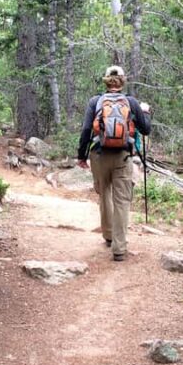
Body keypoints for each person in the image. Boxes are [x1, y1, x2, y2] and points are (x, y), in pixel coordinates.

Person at [77, 65, 151, 261]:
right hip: (122, 156)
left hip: (99, 155)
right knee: (122, 201)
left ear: (106, 81)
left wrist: (81, 156)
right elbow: (146, 130)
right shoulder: (132, 102)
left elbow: (86, 130)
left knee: (105, 195)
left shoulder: (95, 102)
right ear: (123, 81)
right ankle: (119, 248)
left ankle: (108, 236)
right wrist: (145, 113)